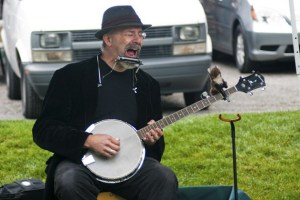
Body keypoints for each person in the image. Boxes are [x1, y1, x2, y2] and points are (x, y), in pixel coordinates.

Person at [32, 5, 178, 200]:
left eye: (140, 34)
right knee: (69, 181)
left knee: (164, 177)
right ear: (108, 39)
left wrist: (153, 139)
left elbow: (153, 152)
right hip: (80, 163)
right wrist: (87, 140)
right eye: (129, 34)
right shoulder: (70, 77)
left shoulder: (147, 85)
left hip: (128, 166)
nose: (138, 39)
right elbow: (44, 130)